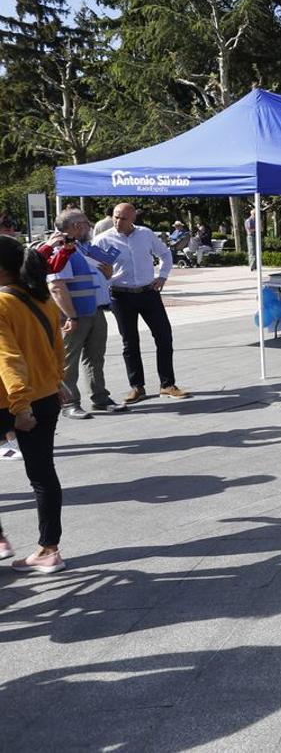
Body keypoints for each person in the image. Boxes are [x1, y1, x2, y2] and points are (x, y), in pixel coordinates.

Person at [0, 235, 68, 574]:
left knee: (41, 475)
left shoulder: (1, 303)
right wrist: (57, 382)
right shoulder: (41, 299)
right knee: (43, 475)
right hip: (43, 396)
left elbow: (9, 358)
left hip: (12, 402)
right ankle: (49, 549)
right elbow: (58, 348)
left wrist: (20, 406)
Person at [94, 203, 190, 403]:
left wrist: (162, 276)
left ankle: (167, 384)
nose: (118, 222)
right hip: (120, 295)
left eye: (123, 218)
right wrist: (107, 279)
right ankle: (137, 387)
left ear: (133, 219)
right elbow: (94, 271)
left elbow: (164, 254)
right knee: (130, 342)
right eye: (115, 217)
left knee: (164, 337)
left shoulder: (145, 234)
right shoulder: (103, 240)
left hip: (148, 293)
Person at [46, 209, 124, 419]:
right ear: (76, 226)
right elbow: (57, 286)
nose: (90, 226)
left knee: (95, 357)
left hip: (95, 311)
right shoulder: (61, 249)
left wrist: (106, 275)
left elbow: (94, 279)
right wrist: (70, 316)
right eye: (86, 223)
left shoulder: (84, 249)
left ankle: (100, 397)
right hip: (75, 315)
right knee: (68, 361)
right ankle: (69, 403)